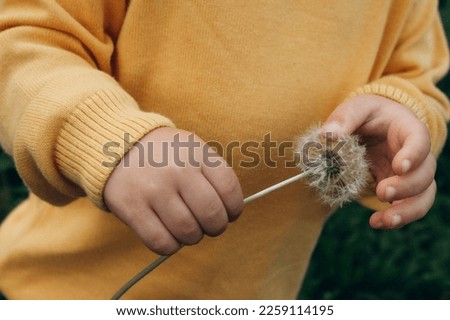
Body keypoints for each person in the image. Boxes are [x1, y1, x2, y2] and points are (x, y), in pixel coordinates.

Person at [0, 0, 448, 299]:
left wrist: (402, 115)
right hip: (66, 290)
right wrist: (106, 135)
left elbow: (415, 74)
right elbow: (24, 42)